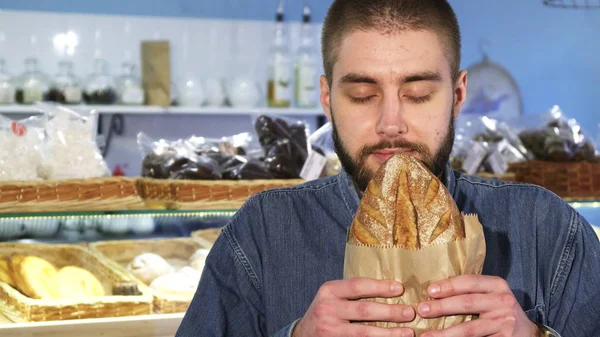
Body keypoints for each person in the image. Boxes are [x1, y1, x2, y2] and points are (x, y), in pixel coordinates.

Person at [176, 0, 600, 336]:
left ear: (456, 95)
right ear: (327, 98)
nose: (390, 124)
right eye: (362, 94)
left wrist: (536, 336)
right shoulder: (263, 233)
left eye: (417, 94)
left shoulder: (546, 229)